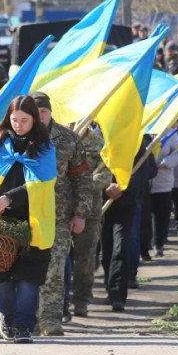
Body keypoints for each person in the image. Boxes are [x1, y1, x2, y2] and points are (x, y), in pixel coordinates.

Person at [0, 95, 57, 344]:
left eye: (24, 120)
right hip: (1, 222)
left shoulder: (44, 147)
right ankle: (7, 316)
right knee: (2, 278)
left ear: (34, 120)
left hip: (33, 222)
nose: (19, 124)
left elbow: (42, 184)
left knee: (29, 278)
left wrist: (11, 197)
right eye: (14, 119)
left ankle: (24, 326)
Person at [31, 91, 94, 337]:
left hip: (59, 217)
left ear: (50, 112)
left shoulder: (68, 140)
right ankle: (28, 317)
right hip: (27, 217)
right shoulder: (19, 137)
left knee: (54, 269)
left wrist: (80, 213)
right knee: (27, 270)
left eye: (43, 112)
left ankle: (51, 320)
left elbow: (83, 179)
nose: (39, 117)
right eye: (34, 113)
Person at [102, 134, 157, 310]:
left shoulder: (136, 139)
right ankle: (109, 288)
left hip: (128, 202)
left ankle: (118, 294)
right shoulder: (99, 138)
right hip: (102, 202)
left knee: (121, 247)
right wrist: (105, 186)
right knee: (107, 250)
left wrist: (123, 186)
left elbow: (148, 169)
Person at [70, 125, 111, 318]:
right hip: (62, 210)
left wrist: (83, 185)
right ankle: (58, 303)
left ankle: (81, 300)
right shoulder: (60, 139)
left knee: (85, 259)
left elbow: (105, 175)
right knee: (58, 259)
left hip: (89, 211)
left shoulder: (97, 143)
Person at [149, 131, 178, 257]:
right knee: (145, 217)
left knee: (161, 215)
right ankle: (145, 245)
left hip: (163, 183)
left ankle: (158, 244)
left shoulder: (170, 133)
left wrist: (167, 162)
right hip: (144, 182)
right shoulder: (143, 127)